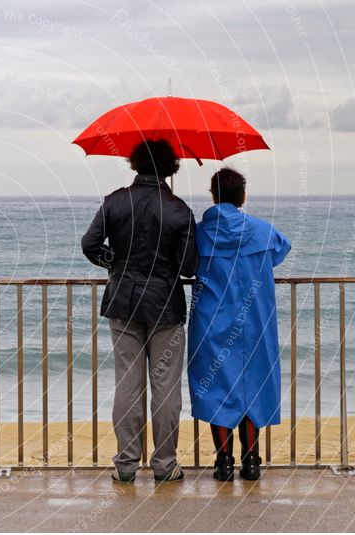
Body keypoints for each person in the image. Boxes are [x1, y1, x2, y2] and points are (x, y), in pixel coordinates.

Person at [82, 139, 198, 483]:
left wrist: (114, 264)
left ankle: (126, 465)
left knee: (128, 385)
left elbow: (89, 244)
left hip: (123, 302)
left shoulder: (114, 202)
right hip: (166, 305)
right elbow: (189, 267)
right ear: (170, 168)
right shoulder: (179, 210)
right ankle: (165, 466)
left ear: (134, 164)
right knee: (166, 388)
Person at [187, 168, 291, 482]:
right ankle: (252, 462)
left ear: (213, 196)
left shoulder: (199, 233)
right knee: (253, 387)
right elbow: (280, 250)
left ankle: (223, 463)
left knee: (216, 387)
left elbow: (185, 262)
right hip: (255, 321)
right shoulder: (262, 231)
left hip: (211, 321)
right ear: (242, 196)